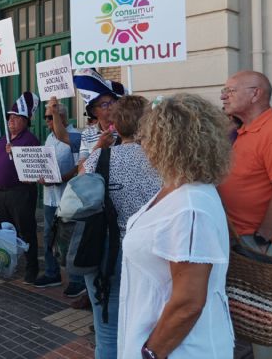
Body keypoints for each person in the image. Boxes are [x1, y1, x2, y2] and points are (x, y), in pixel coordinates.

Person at [118, 94, 234, 358]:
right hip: (156, 337)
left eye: (148, 136)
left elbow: (188, 302)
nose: (142, 143)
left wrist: (151, 353)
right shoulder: (177, 187)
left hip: (181, 349)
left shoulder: (190, 205)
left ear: (169, 142)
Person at [78, 95, 162, 358]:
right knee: (147, 327)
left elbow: (79, 192)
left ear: (115, 124)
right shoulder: (163, 160)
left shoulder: (100, 159)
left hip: (106, 252)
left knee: (107, 329)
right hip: (152, 254)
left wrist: (99, 148)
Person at [218, 71, 272, 359]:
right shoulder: (244, 130)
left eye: (230, 90)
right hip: (242, 240)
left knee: (268, 326)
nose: (224, 95)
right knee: (253, 322)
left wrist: (262, 238)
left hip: (264, 246)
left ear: (255, 93)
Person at [0, 91, 41, 283]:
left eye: (16, 117)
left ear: (25, 121)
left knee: (26, 230)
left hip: (20, 192)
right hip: (1, 193)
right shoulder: (4, 138)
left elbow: (34, 167)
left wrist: (17, 153)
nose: (11, 120)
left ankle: (32, 268)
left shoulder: (30, 140)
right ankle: (9, 263)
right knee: (5, 231)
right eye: (10, 117)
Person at [31, 100, 84, 292]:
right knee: (48, 236)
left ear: (60, 116)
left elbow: (81, 166)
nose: (46, 121)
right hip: (49, 198)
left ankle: (77, 280)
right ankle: (52, 273)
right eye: (45, 117)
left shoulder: (76, 136)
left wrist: (61, 178)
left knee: (69, 238)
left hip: (68, 196)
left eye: (48, 116)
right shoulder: (49, 138)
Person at [72, 68, 126, 164]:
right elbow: (81, 171)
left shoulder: (126, 128)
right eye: (104, 105)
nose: (110, 107)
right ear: (94, 112)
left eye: (112, 102)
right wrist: (99, 147)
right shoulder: (87, 134)